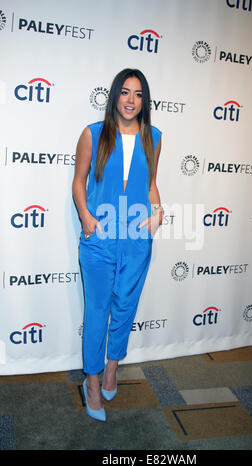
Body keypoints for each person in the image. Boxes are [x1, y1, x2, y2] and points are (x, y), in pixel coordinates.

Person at [72, 68, 163, 421]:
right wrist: (85, 217)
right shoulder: (93, 135)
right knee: (97, 312)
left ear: (145, 101)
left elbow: (151, 184)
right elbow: (79, 182)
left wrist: (158, 211)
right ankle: (91, 382)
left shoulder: (153, 136)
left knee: (125, 309)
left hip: (137, 240)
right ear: (114, 96)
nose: (130, 100)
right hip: (99, 240)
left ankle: (112, 367)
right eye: (125, 92)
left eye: (138, 94)